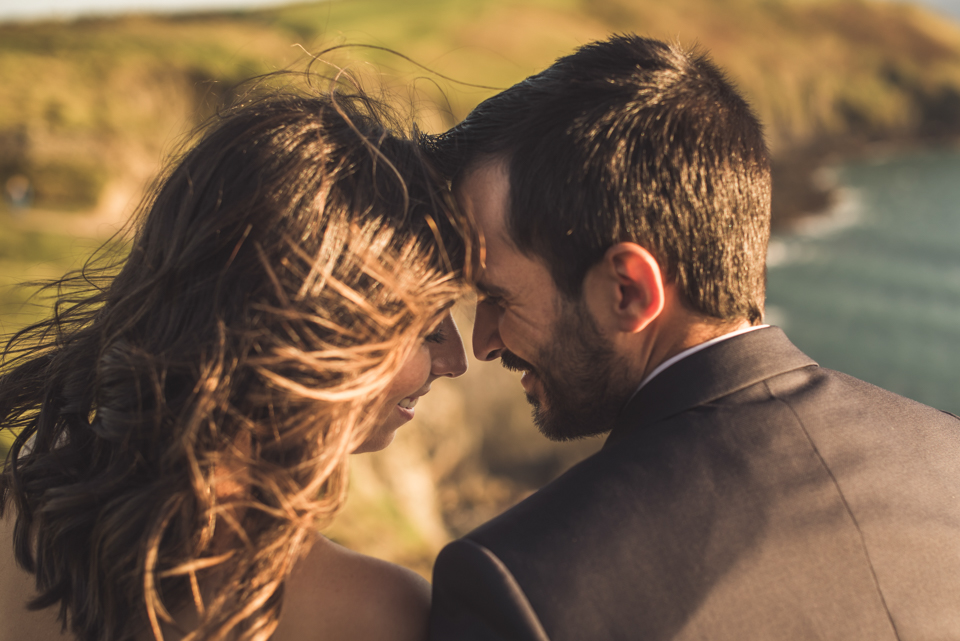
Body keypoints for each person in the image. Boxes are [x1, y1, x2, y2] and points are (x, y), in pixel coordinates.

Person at [426, 34, 960, 640]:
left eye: (497, 297)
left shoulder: (521, 590)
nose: (483, 342)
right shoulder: (950, 454)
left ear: (628, 291)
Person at [0, 85, 470, 641]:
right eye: (426, 327)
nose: (456, 360)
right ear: (313, 328)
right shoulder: (373, 612)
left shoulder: (17, 523)